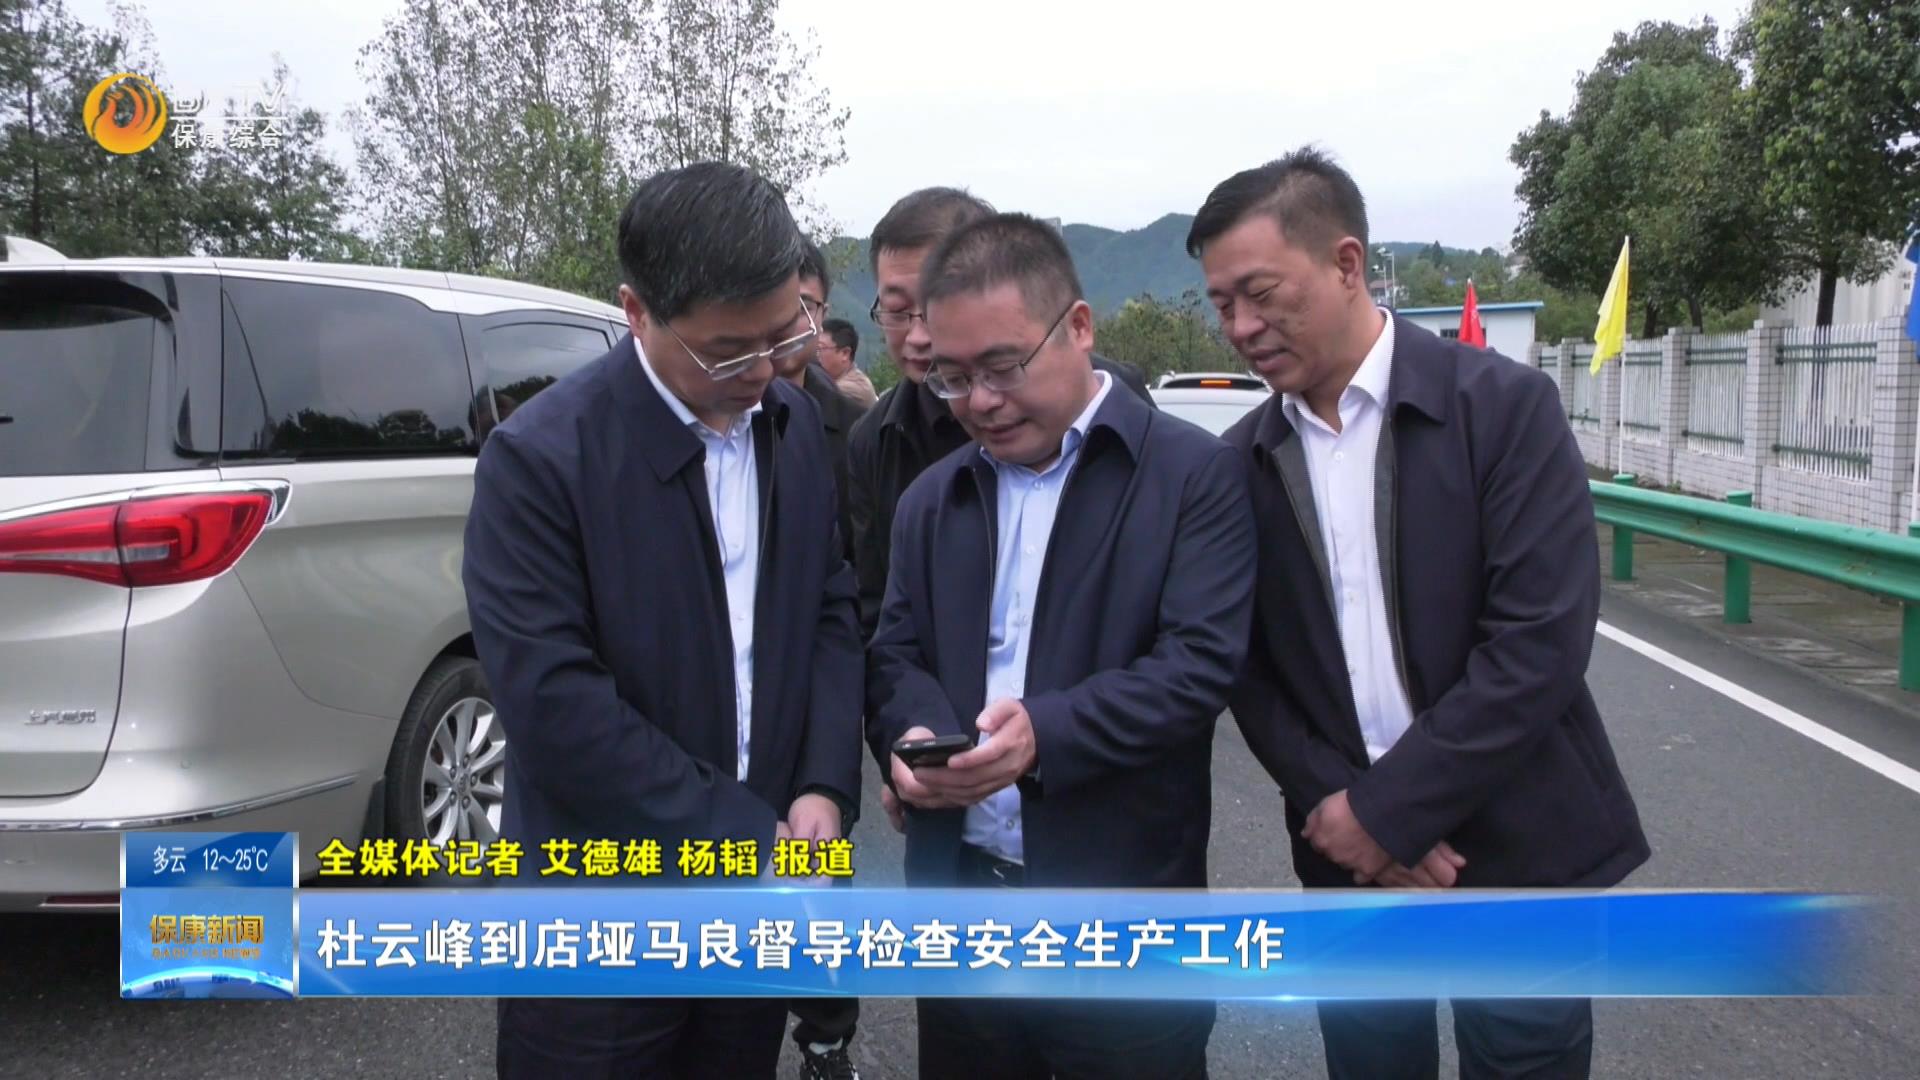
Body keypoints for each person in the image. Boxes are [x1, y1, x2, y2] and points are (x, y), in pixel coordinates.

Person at [1190, 147, 1649, 1080]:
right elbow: (1248, 668)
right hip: (1346, 859)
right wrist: (1342, 812)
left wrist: (1388, 812)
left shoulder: (1502, 411)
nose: (1241, 327)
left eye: (1261, 294)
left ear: (1347, 264)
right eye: (1221, 305)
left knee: (1525, 1061)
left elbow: (1538, 644)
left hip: (1518, 852)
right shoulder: (1240, 463)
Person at [463, 161, 863, 1079]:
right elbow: (554, 704)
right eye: (728, 350)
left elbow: (828, 608)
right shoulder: (542, 461)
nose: (763, 371)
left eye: (784, 335)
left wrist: (821, 787)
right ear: (636, 312)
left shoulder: (793, 429)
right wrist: (745, 835)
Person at [866, 212, 1256, 1079]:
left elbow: (1197, 665)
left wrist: (1045, 734)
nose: (980, 401)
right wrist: (915, 738)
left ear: (1078, 327)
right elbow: (895, 654)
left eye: (1004, 367)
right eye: (953, 378)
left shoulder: (1191, 477)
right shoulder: (934, 499)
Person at [845, 187, 1154, 645]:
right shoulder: (877, 439)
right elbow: (878, 614)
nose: (917, 336)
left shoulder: (1111, 402)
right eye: (896, 311)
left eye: (933, 307)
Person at [772, 238, 869, 1079]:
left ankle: (827, 1035)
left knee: (820, 882)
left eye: (804, 308)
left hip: (817, 682)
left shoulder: (842, 421)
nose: (789, 327)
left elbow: (848, 580)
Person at [817, 317, 877, 406]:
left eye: (820, 348)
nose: (816, 354)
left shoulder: (849, 389)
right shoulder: (839, 380)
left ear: (845, 353)